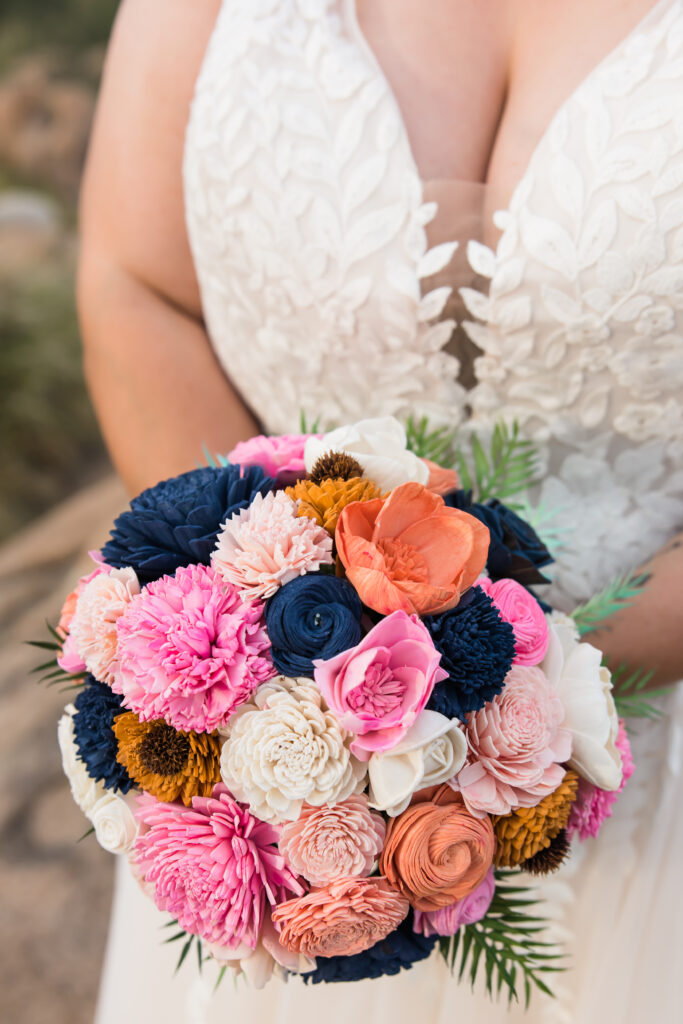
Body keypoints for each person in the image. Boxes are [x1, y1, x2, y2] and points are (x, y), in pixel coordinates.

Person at [78, 1, 683, 1021]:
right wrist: (243, 637)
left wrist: (526, 704)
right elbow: (138, 285)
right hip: (285, 792)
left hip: (658, 735)